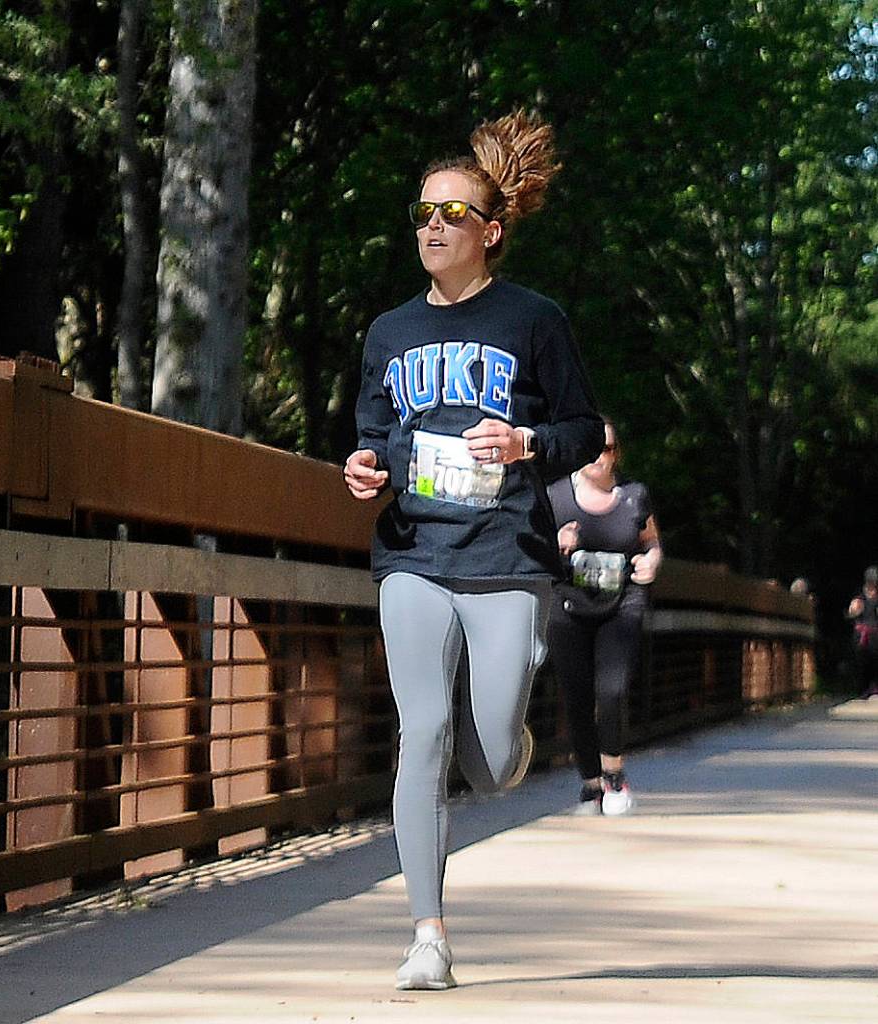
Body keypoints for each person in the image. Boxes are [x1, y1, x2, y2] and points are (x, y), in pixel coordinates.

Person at [343, 109, 604, 990]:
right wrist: (364, 468)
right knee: (420, 731)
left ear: (489, 232)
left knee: (488, 761)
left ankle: (505, 737)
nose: (431, 225)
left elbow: (581, 427)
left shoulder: (534, 320)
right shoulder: (388, 333)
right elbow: (375, 432)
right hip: (412, 553)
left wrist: (526, 444)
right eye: (421, 211)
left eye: (451, 213)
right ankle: (428, 934)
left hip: (505, 556)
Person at [546, 421, 662, 816]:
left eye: (607, 447)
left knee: (611, 689)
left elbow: (651, 541)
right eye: (592, 446)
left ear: (617, 453)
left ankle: (614, 772)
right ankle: (590, 783)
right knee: (576, 696)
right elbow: (528, 550)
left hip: (622, 603)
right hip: (568, 606)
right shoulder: (556, 495)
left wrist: (652, 561)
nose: (599, 455)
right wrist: (556, 544)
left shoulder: (634, 496)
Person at [846, 566, 878, 697]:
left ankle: (874, 685)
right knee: (862, 662)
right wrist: (854, 610)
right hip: (862, 635)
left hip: (876, 634)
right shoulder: (859, 597)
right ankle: (863, 688)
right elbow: (851, 613)